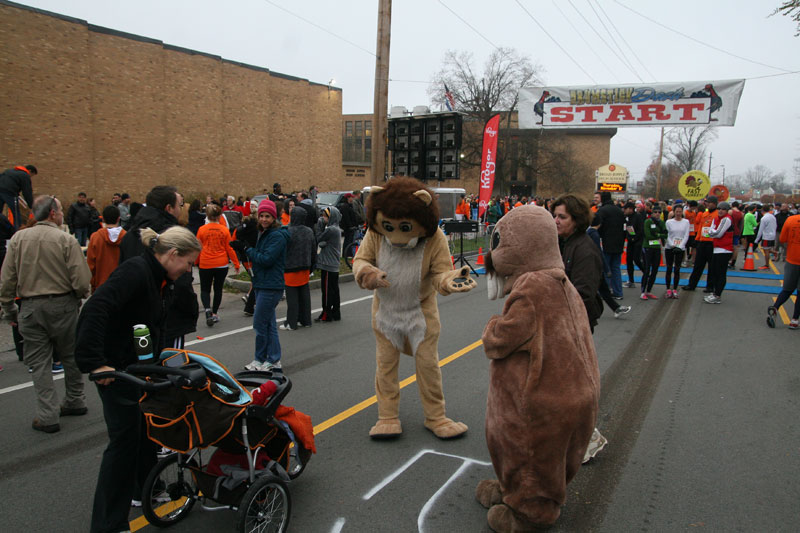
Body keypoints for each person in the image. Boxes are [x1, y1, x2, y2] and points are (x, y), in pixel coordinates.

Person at [75, 225, 201, 533]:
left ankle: (141, 490)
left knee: (145, 432)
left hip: (137, 367)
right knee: (123, 443)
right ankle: (108, 525)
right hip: (116, 371)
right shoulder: (136, 271)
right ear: (173, 254)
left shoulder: (158, 277)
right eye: (188, 264)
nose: (189, 270)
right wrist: (96, 363)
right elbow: (95, 309)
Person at [0, 195, 91, 433]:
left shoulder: (18, 239)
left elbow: (7, 278)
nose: (62, 214)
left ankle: (47, 413)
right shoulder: (65, 240)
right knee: (70, 355)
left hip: (30, 305)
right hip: (63, 304)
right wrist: (79, 297)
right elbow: (81, 280)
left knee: (39, 362)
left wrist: (9, 308)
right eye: (60, 210)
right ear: (52, 213)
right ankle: (75, 399)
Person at [550, 194, 607, 461]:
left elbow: (583, 294)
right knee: (562, 388)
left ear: (577, 219)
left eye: (562, 217)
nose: (556, 220)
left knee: (571, 389)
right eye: (555, 215)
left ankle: (589, 439)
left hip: (575, 326)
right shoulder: (565, 244)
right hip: (562, 324)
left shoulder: (584, 249)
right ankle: (574, 437)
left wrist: (565, 324)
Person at [120, 185, 198, 349]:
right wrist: (188, 310)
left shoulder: (129, 234)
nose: (181, 209)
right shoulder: (172, 237)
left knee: (144, 366)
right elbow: (181, 282)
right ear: (169, 208)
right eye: (180, 205)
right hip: (167, 318)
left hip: (137, 318)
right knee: (170, 366)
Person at [233, 200, 289, 372]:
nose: (264, 219)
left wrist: (247, 249)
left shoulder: (277, 236)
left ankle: (263, 358)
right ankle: (270, 359)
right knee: (268, 324)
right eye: (262, 216)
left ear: (274, 217)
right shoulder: (263, 233)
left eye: (268, 216)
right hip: (262, 283)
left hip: (271, 285)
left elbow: (266, 259)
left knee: (259, 323)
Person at [196, 203, 240, 326]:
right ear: (220, 215)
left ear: (207, 216)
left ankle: (207, 309)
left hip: (205, 262)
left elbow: (198, 247)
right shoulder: (224, 230)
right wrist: (236, 263)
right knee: (218, 288)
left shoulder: (201, 230)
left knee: (205, 288)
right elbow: (230, 248)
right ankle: (215, 313)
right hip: (221, 263)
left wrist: (194, 261)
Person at [280, 207, 316, 330]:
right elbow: (313, 251)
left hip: (290, 267)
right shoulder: (309, 231)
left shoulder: (287, 231)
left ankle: (291, 322)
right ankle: (305, 320)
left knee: (292, 297)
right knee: (304, 295)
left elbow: (282, 251)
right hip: (305, 266)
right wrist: (312, 266)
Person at [767, 209, 800, 329]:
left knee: (787, 289)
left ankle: (775, 307)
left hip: (792, 260)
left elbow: (782, 239)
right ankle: (794, 320)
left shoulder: (791, 220)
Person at [592, 191, 626, 299]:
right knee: (616, 268)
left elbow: (597, 225)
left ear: (602, 198)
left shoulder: (602, 211)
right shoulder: (619, 210)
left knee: (605, 268)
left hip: (606, 243)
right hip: (619, 243)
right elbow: (624, 227)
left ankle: (605, 292)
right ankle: (618, 292)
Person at [87, 205, 127, 292]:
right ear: (118, 219)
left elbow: (90, 265)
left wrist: (93, 284)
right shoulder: (127, 237)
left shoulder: (96, 237)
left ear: (103, 219)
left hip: (101, 286)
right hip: (122, 286)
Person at [683, 195, 718, 292]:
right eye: (706, 202)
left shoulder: (717, 215)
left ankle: (710, 286)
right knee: (698, 265)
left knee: (712, 267)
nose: (707, 203)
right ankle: (691, 284)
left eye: (709, 202)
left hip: (711, 243)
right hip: (702, 243)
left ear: (714, 203)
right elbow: (700, 228)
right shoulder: (704, 214)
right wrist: (697, 239)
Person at [314, 206, 342, 322]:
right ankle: (336, 312)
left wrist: (319, 225)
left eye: (325, 216)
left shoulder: (331, 229)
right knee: (334, 290)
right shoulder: (336, 229)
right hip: (334, 264)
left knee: (326, 291)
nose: (323, 218)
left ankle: (326, 314)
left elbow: (318, 238)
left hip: (328, 264)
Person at [704, 202, 734, 304]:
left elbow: (719, 234)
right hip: (717, 249)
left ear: (727, 210)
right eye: (719, 208)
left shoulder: (727, 219)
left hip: (725, 250)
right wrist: (713, 232)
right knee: (715, 272)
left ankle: (718, 295)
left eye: (723, 209)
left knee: (721, 273)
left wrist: (713, 232)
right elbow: (710, 231)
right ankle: (715, 292)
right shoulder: (716, 218)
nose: (720, 211)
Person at [640, 205, 667, 300]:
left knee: (655, 270)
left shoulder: (662, 222)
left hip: (656, 248)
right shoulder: (648, 221)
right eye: (655, 212)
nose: (657, 214)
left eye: (659, 212)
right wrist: (659, 235)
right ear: (652, 213)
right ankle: (643, 291)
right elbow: (647, 235)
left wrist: (657, 234)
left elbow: (665, 234)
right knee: (647, 270)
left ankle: (649, 290)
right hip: (647, 247)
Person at [664, 204, 690, 298]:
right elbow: (666, 235)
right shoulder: (669, 222)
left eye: (680, 211)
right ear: (673, 212)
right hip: (670, 247)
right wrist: (673, 245)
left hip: (680, 248)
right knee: (669, 268)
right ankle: (668, 289)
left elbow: (686, 235)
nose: (678, 213)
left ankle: (675, 289)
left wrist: (680, 246)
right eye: (677, 211)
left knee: (677, 269)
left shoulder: (686, 222)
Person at [0, 164, 36, 229]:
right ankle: (17, 230)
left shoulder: (8, 171)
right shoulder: (25, 176)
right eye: (32, 175)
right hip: (10, 193)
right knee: (16, 213)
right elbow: (27, 192)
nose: (30, 177)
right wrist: (31, 205)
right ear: (30, 171)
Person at [623, 201, 645, 288]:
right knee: (628, 261)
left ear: (630, 209)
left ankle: (646, 273)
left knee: (636, 259)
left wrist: (634, 238)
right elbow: (626, 228)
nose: (624, 210)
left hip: (637, 242)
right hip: (630, 241)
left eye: (626, 209)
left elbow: (640, 230)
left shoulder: (638, 217)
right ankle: (631, 280)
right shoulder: (627, 217)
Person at [755, 204, 777, 270]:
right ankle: (775, 252)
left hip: (766, 235)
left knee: (766, 250)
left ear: (762, 210)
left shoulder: (764, 218)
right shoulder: (773, 216)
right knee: (767, 248)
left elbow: (760, 230)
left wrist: (757, 239)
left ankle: (767, 265)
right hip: (773, 234)